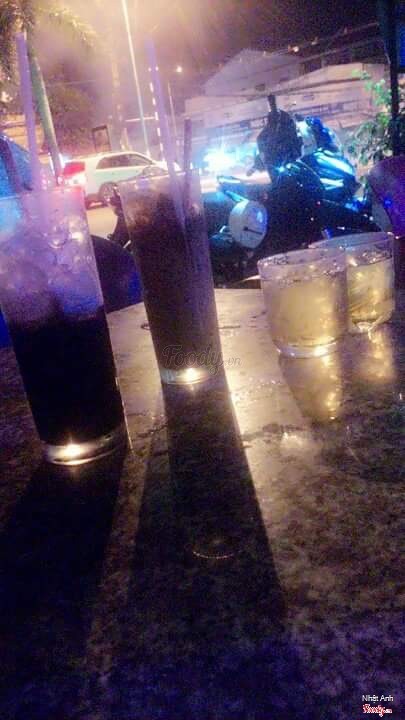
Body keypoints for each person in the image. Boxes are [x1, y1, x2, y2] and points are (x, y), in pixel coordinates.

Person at [252, 94, 302, 181]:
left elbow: (297, 141)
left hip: (288, 160)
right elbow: (261, 148)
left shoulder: (287, 127)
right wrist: (256, 166)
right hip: (275, 163)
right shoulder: (266, 135)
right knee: (277, 181)